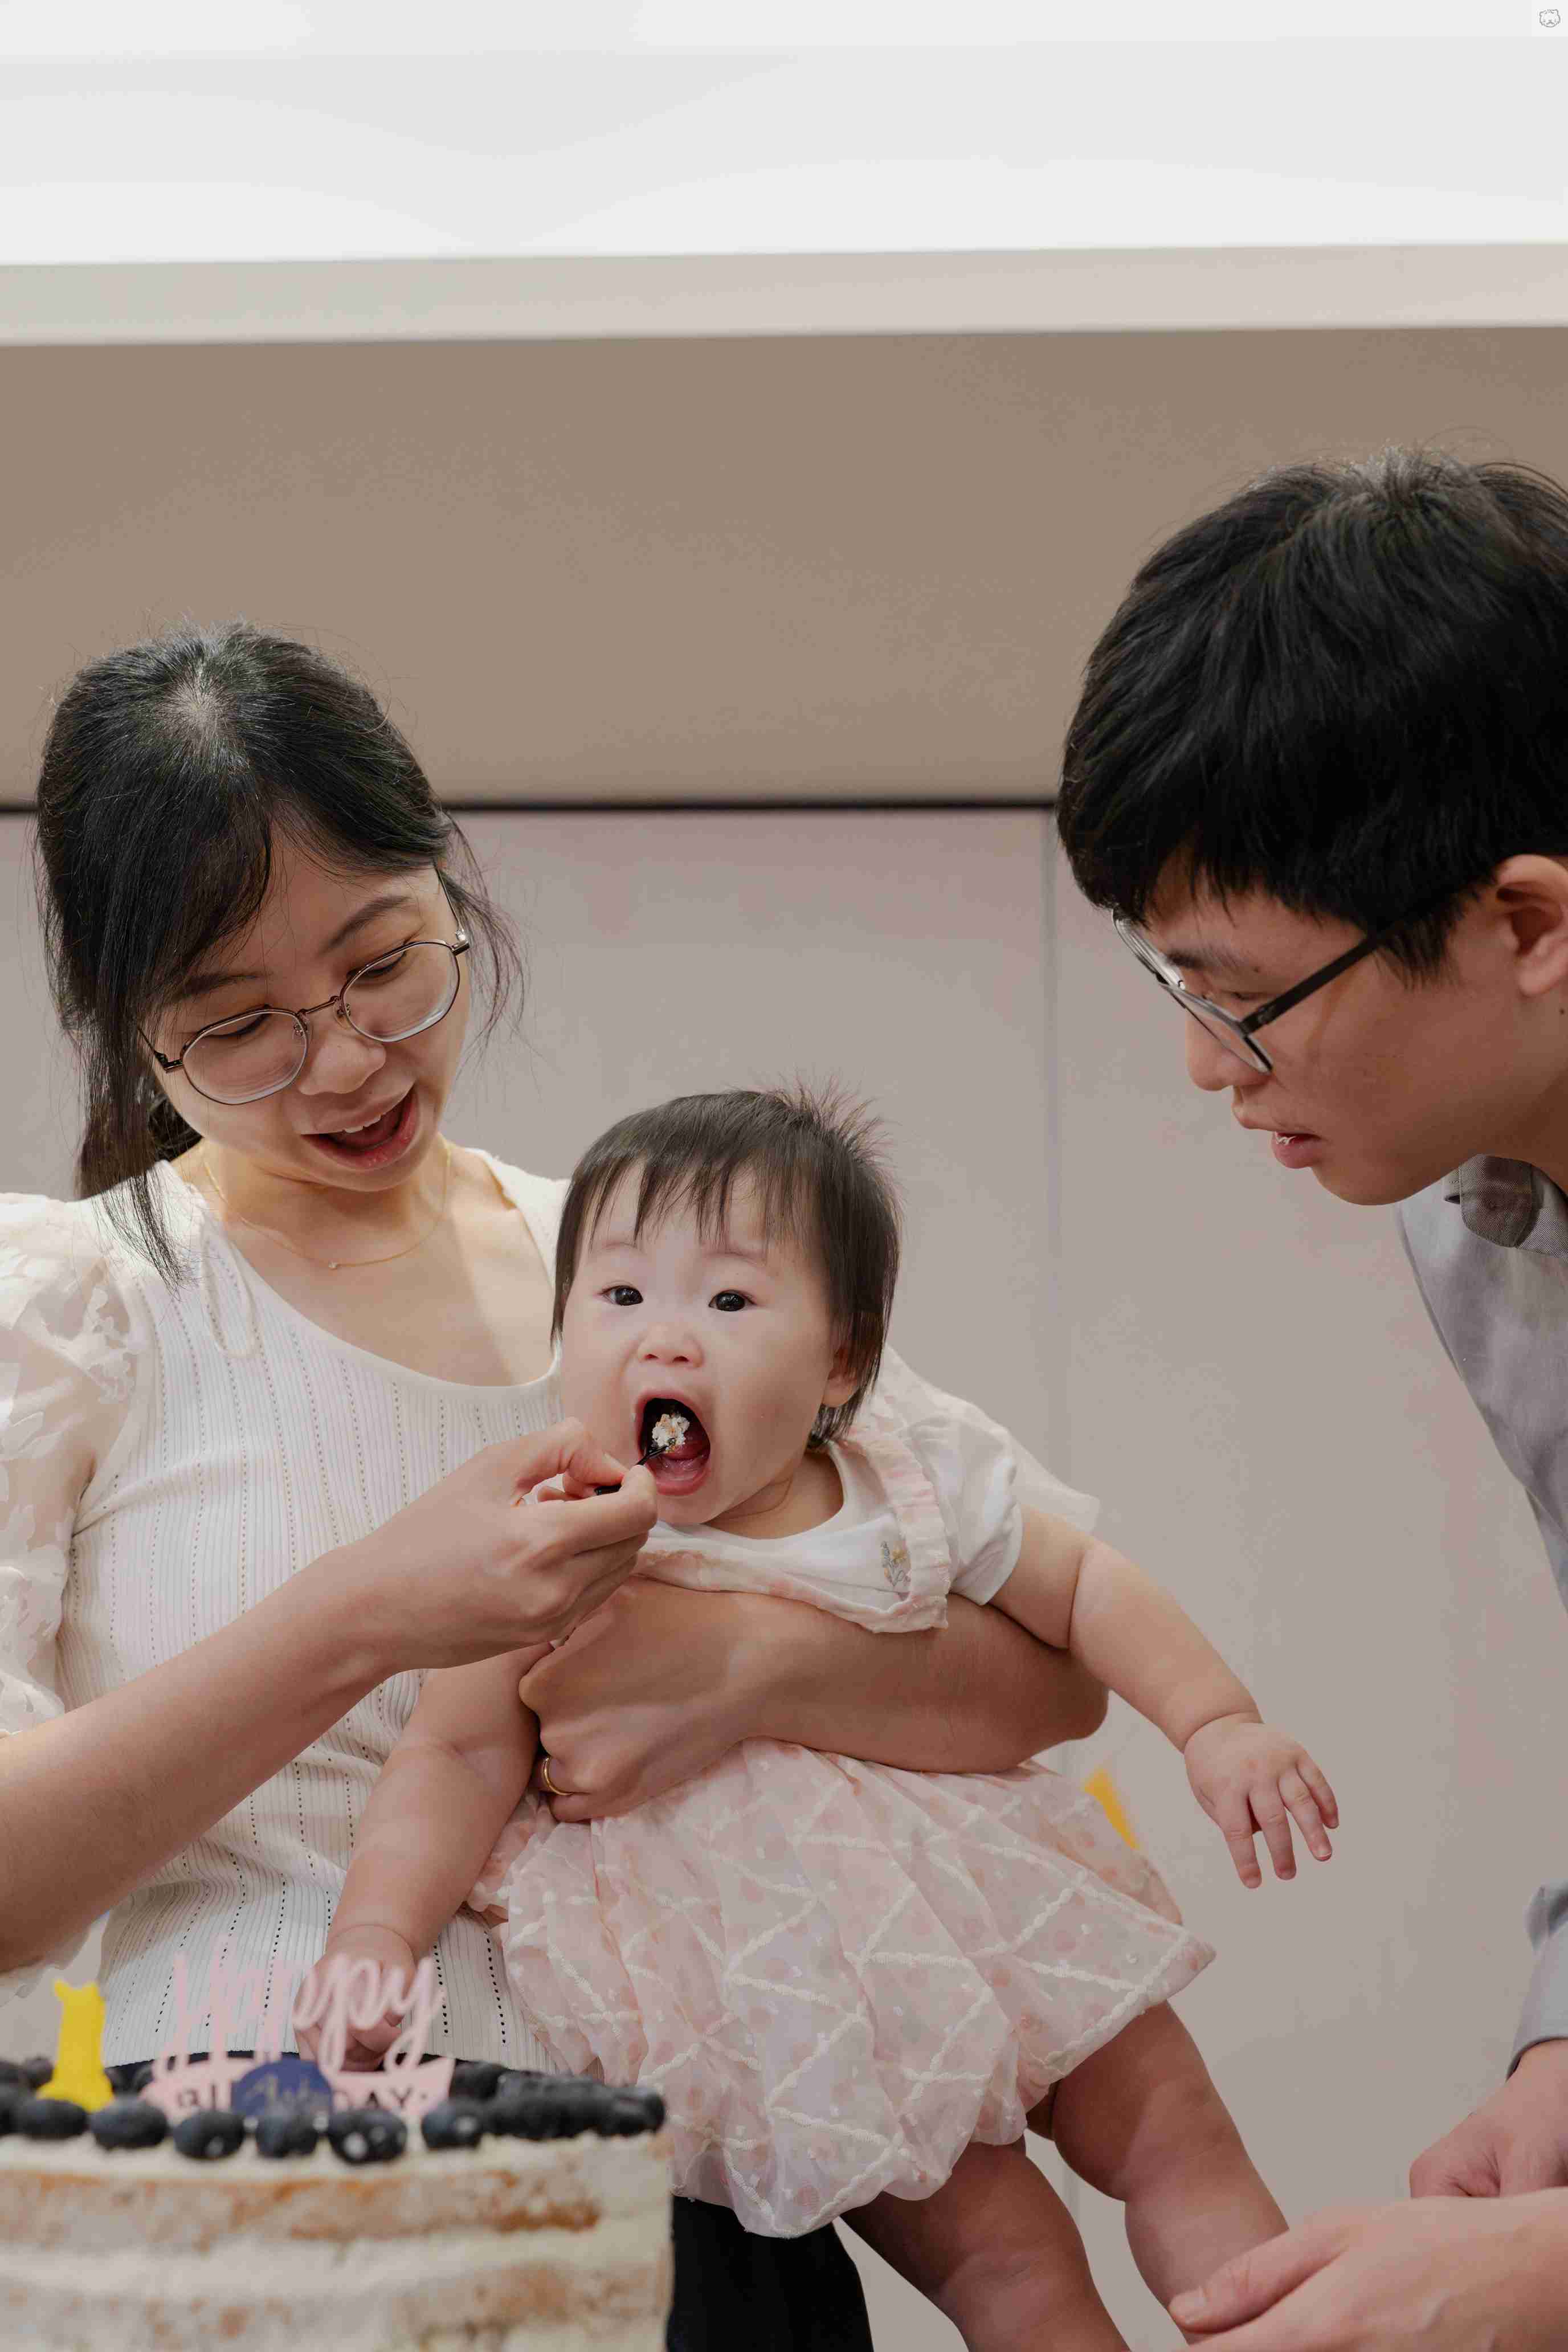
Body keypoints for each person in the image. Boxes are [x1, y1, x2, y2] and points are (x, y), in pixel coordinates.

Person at [0, 622, 1111, 2352]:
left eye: (384, 965)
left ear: (451, 887)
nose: (347, 1060)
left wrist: (752, 1665)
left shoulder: (644, 1266)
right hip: (251, 2178)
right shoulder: (77, 1303)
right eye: (241, 1027)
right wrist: (376, 1610)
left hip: (683, 2187)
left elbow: (1050, 1670)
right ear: (131, 1035)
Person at [303, 1079, 1339, 2351]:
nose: (666, 1342)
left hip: (998, 1902)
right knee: (1009, 2261)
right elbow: (455, 1750)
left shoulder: (904, 1488)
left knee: (1179, 2136)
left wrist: (1214, 1721)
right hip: (791, 1988)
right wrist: (377, 1933)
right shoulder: (548, 1540)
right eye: (619, 1296)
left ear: (842, 1360)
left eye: (730, 1303)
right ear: (561, 1331)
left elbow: (1084, 1592)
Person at [1054, 444, 1568, 2347]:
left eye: (1247, 996)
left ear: (1526, 923)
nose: (1211, 1066)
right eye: (1174, 983)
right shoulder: (1477, 1222)